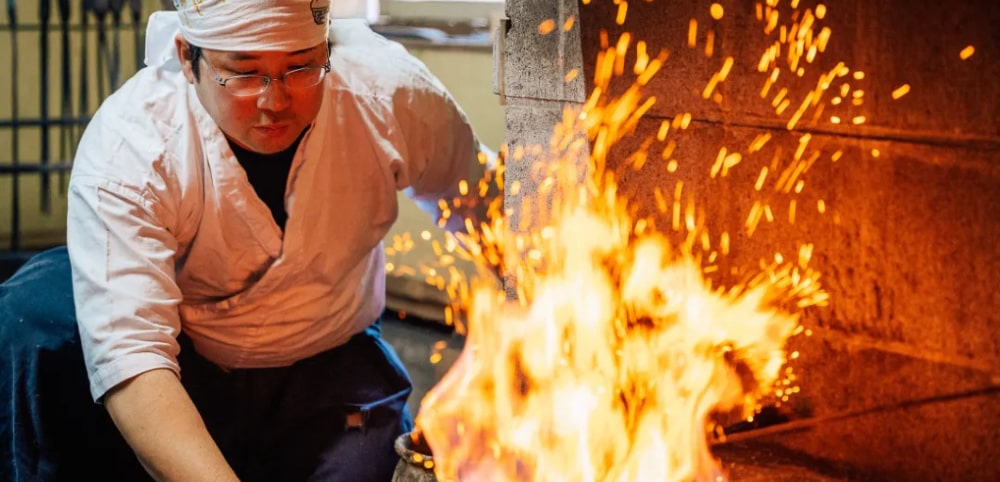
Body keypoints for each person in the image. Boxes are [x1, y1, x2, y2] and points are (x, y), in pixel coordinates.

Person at [0, 0, 493, 480]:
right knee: (36, 316)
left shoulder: (387, 92)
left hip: (329, 354)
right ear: (186, 58)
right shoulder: (133, 145)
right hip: (189, 358)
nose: (274, 101)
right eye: (243, 73)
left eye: (301, 68)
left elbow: (487, 206)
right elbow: (134, 355)